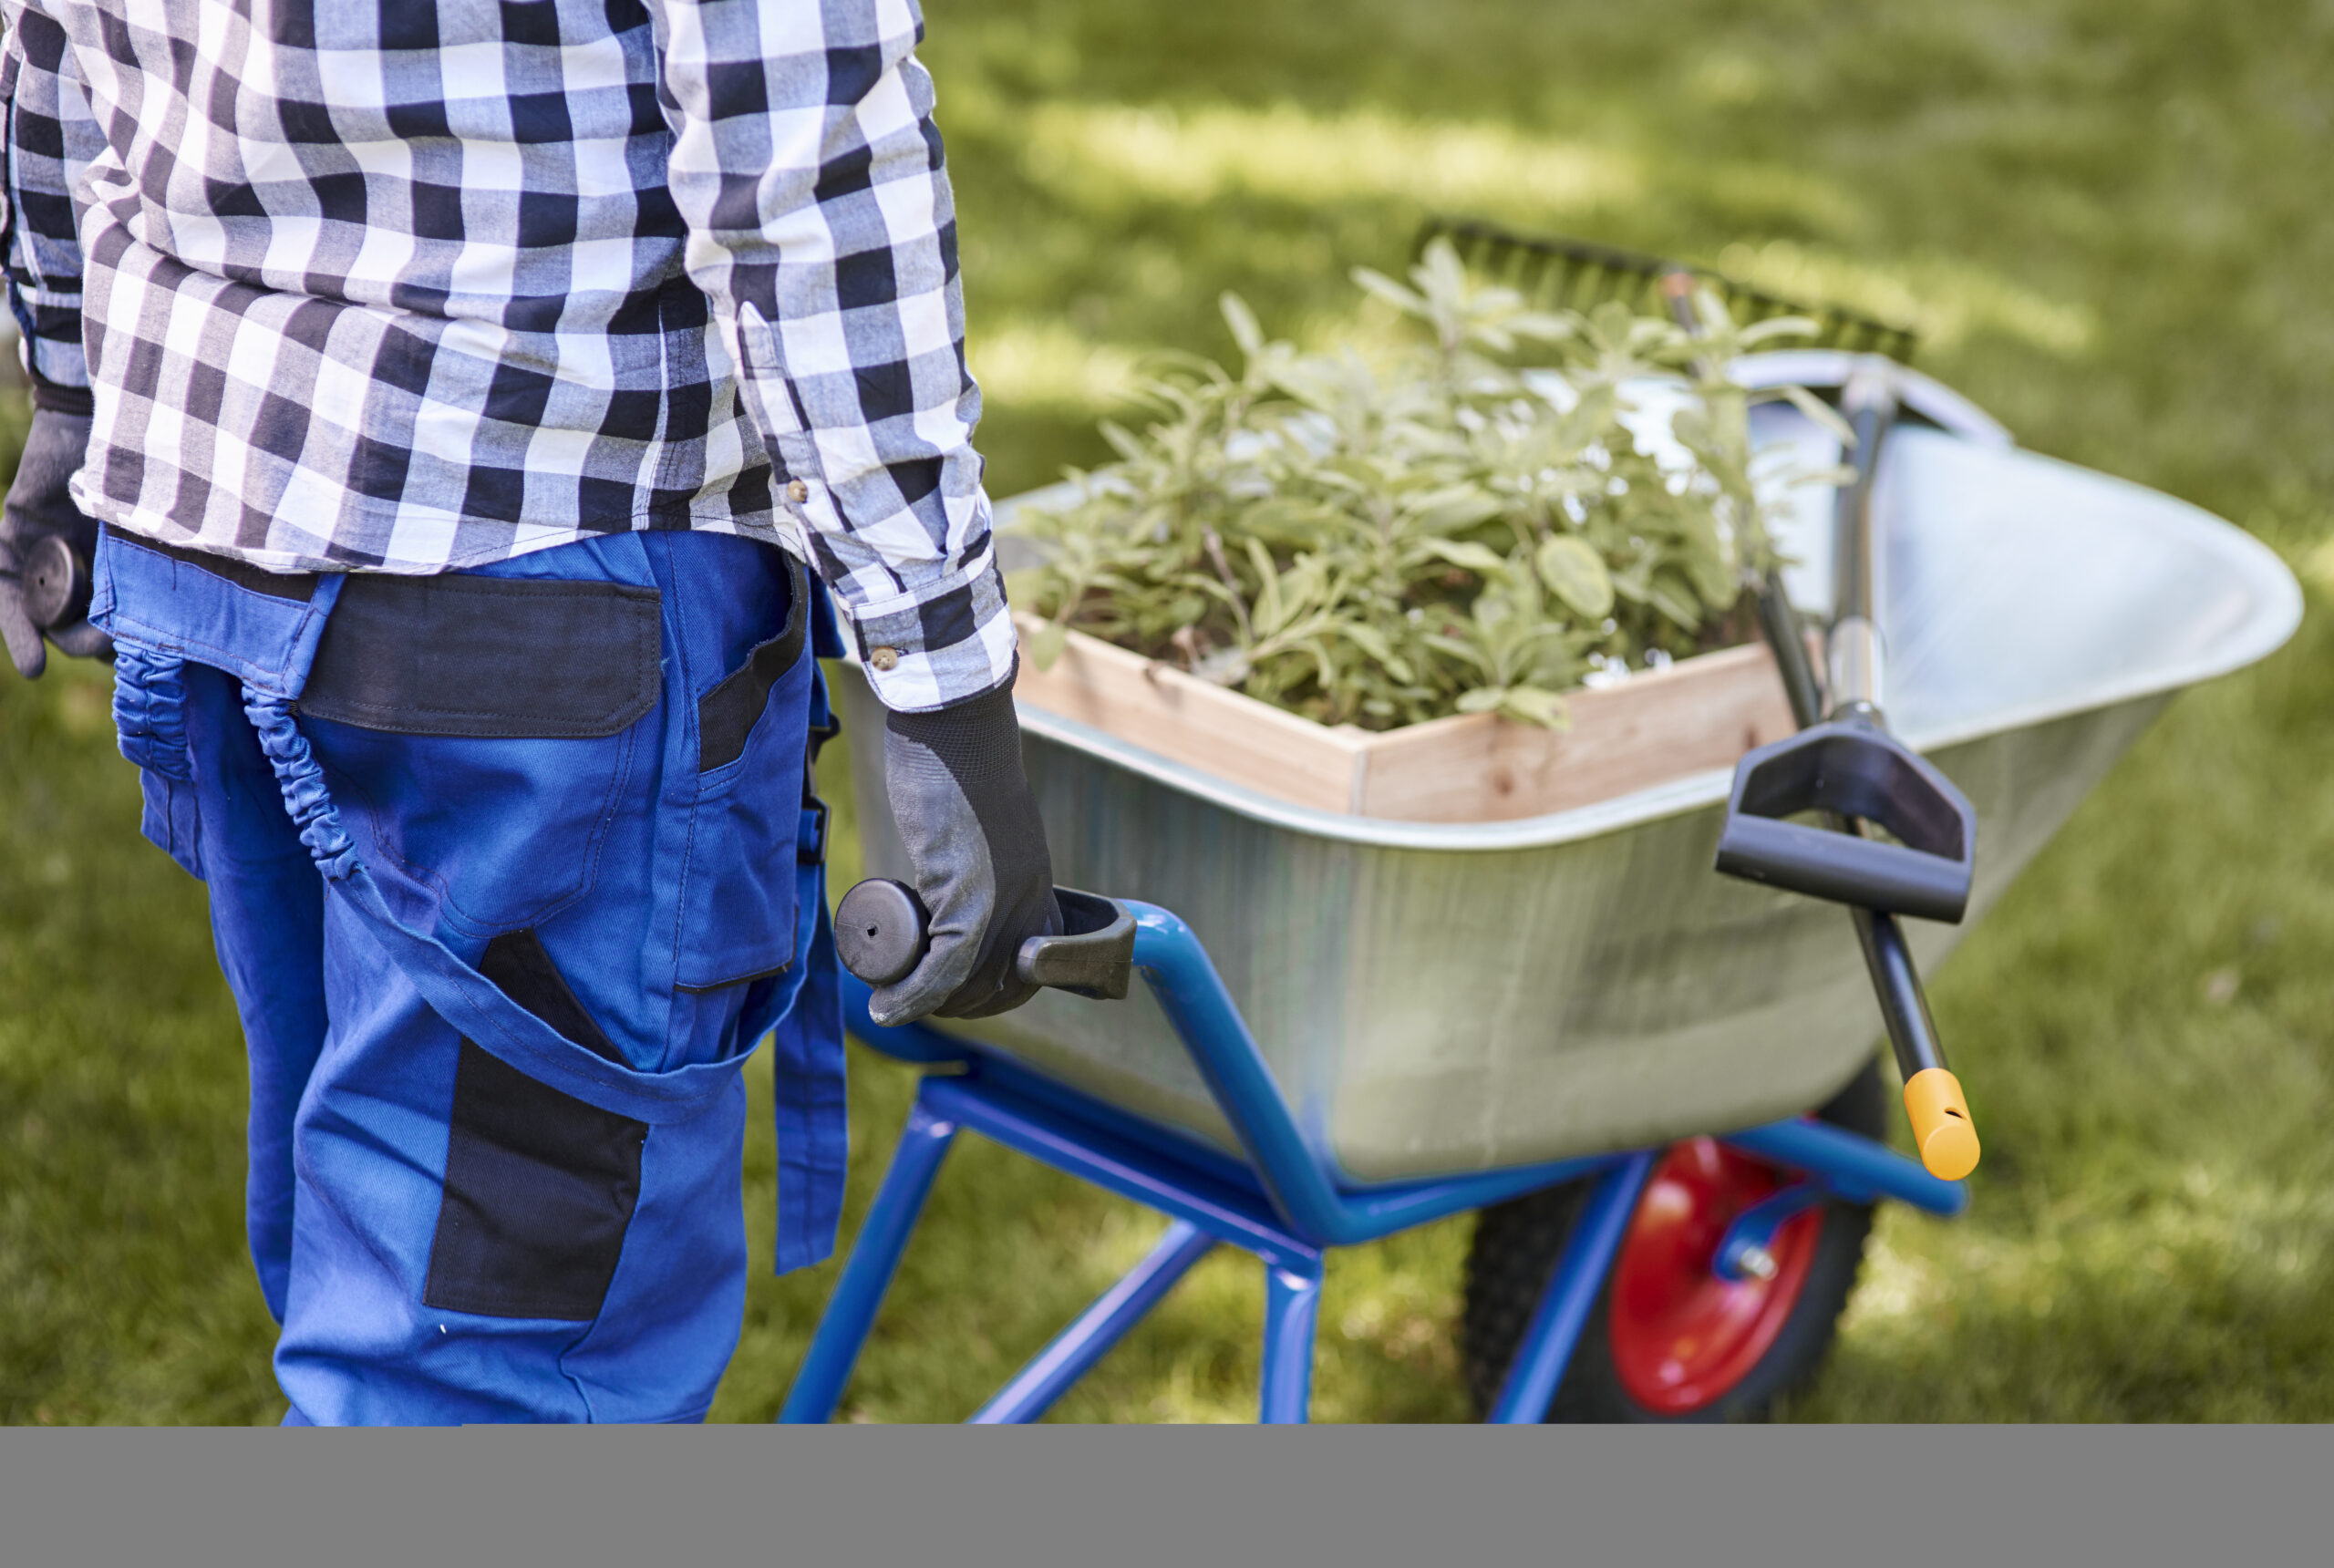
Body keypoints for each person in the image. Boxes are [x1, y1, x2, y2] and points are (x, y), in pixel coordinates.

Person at [0, 0, 1059, 1425]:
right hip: (542, 586)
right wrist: (941, 682)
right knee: (491, 1377)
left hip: (216, 516)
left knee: (390, 1283)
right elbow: (797, 138)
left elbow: (52, 35)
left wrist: (71, 386)